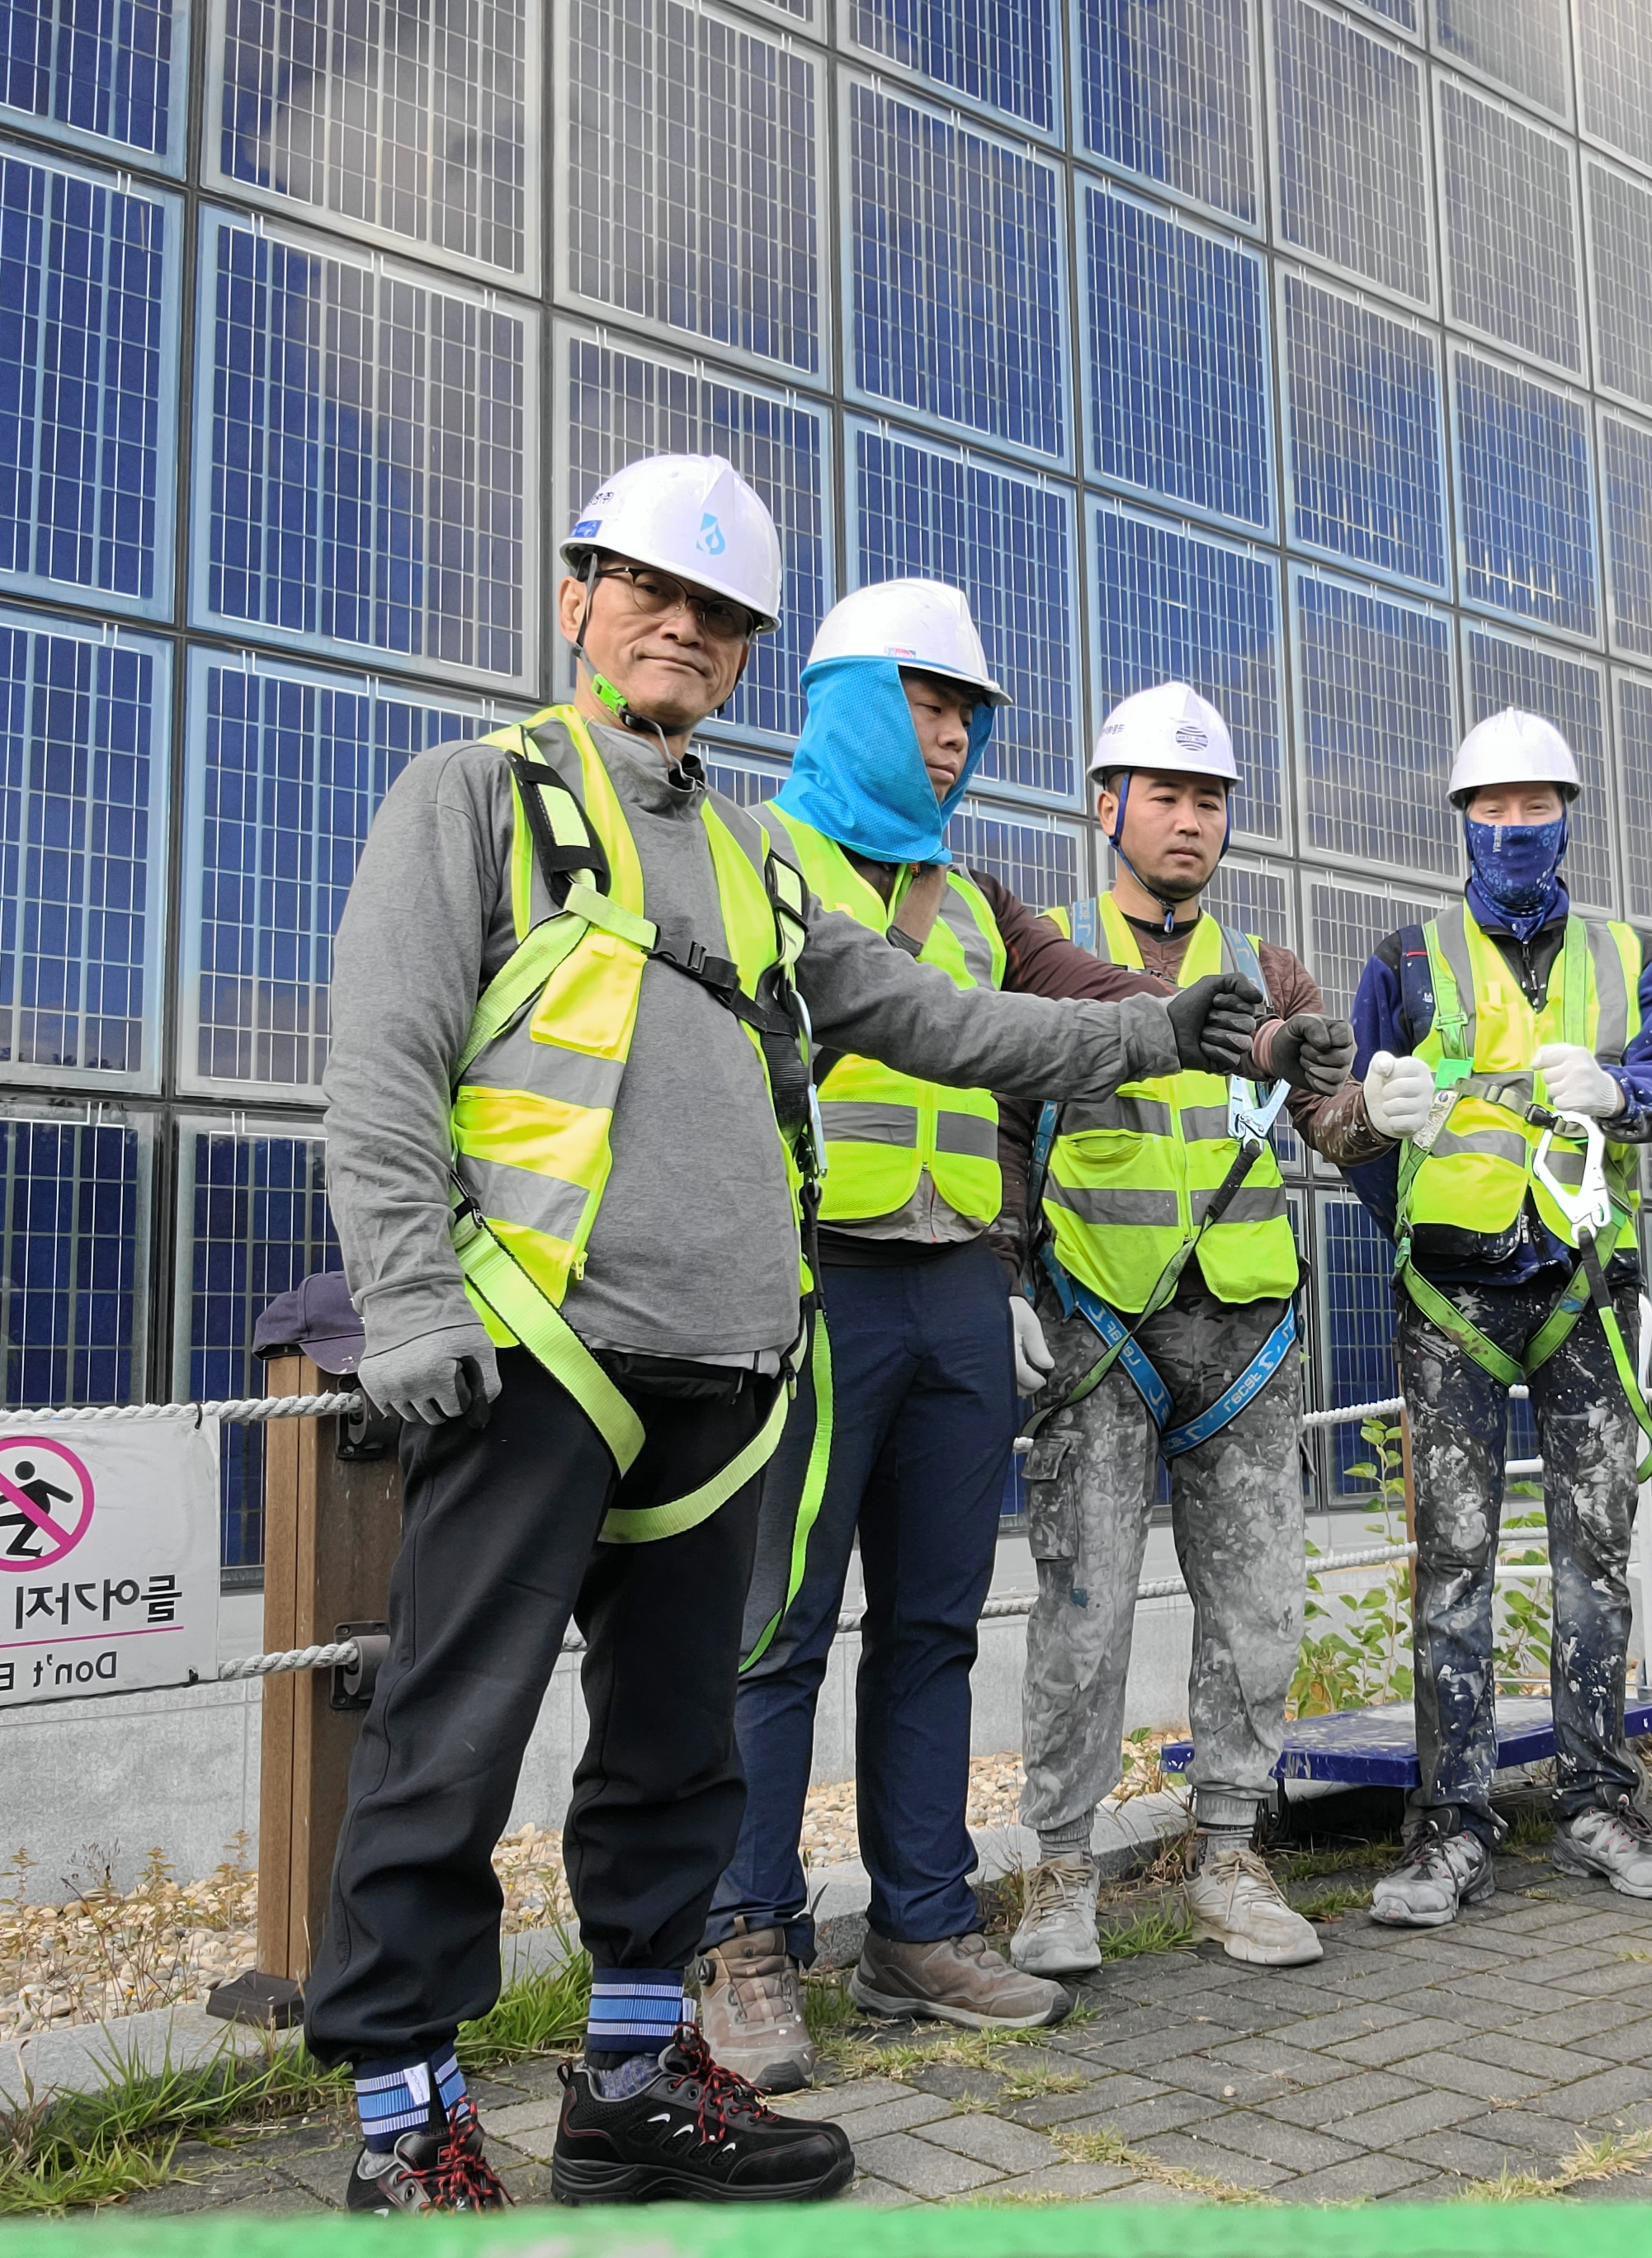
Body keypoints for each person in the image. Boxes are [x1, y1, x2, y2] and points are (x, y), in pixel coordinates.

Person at [314, 461, 1260, 2212]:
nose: (682, 629)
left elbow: (945, 1024)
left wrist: (1157, 1033)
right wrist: (411, 1296)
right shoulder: (476, 795)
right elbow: (384, 1060)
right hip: (536, 1357)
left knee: (677, 1755)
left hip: (725, 1375)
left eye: (720, 614)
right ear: (580, 597)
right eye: (650, 593)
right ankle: (406, 2126)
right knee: (450, 1743)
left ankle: (630, 2087)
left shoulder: (756, 862)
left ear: (748, 652)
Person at [693, 587, 1273, 2081]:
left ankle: (920, 1927)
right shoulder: (755, 858)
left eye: (968, 714)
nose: (951, 736)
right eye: (924, 703)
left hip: (959, 1285)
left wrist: (1261, 1037)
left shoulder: (976, 903)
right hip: (813, 1281)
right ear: (846, 704)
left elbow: (1103, 993)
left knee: (936, 1623)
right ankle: (742, 1941)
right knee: (775, 1626)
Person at [1300, 712, 1652, 1928]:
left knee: (1596, 1555)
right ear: (1463, 819)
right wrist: (1392, 1151)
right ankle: (1451, 1826)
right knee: (1452, 1563)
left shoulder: (1630, 956)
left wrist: (1620, 1093)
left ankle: (1600, 1801)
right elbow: (1348, 1128)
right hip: (1452, 1297)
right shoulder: (1405, 959)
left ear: (1567, 816)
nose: (1516, 827)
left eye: (1537, 806)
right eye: (1495, 807)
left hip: (1586, 1285)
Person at [996, 684, 1356, 1979]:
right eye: (1166, 795)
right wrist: (1003, 1278)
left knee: (1257, 1610)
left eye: (1210, 799)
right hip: (1098, 1329)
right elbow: (1003, 1123)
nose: (1191, 820)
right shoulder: (1047, 950)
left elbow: (1333, 1125)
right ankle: (1059, 1873)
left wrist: (1381, 1108)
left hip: (1245, 1339)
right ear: (1108, 807)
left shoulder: (1273, 970)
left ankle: (1231, 1860)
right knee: (1081, 1613)